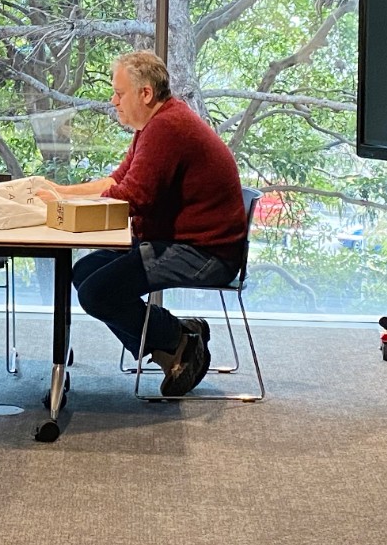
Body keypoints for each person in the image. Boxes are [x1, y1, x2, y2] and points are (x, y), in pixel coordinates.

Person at [38, 50, 247, 396]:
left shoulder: (167, 128)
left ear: (145, 94)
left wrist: (70, 204)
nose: (113, 100)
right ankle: (175, 344)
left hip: (205, 254)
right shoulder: (156, 125)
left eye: (119, 93)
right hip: (180, 240)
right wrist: (60, 193)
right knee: (83, 274)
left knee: (96, 292)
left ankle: (180, 337)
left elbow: (132, 198)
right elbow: (116, 181)